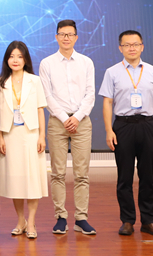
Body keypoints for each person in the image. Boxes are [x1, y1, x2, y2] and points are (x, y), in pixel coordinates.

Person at [100, 30, 153, 237]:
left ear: (142, 47)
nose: (132, 48)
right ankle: (127, 220)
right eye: (127, 45)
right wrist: (109, 130)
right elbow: (107, 102)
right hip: (123, 126)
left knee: (148, 176)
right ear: (120, 48)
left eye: (136, 44)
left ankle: (149, 221)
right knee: (124, 177)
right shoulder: (112, 72)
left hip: (148, 125)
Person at [38, 19, 96, 235]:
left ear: (76, 37)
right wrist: (64, 118)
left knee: (82, 174)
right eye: (62, 34)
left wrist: (77, 117)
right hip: (57, 122)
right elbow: (47, 95)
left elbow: (90, 93)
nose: (66, 38)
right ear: (56, 37)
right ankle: (61, 217)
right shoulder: (47, 63)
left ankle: (81, 218)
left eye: (70, 34)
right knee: (58, 173)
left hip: (82, 122)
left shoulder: (86, 62)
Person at [0, 41, 47, 239]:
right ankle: (20, 221)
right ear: (6, 60)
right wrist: (0, 137)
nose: (15, 60)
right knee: (15, 180)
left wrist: (42, 136)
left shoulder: (35, 80)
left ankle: (32, 222)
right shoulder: (1, 82)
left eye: (19, 56)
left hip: (31, 134)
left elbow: (40, 109)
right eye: (11, 56)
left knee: (32, 180)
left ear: (25, 59)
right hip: (10, 135)